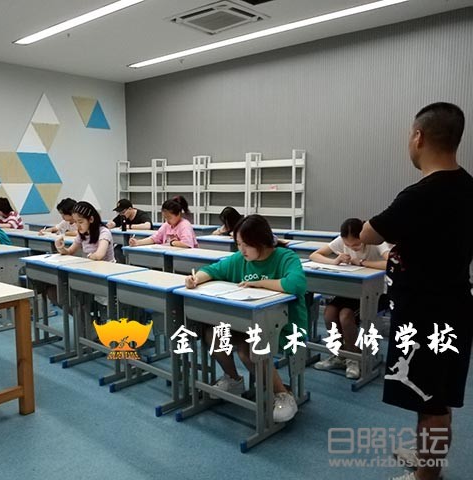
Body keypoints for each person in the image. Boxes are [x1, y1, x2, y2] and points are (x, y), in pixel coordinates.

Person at [360, 102, 473, 480]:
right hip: (454, 305)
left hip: (427, 313)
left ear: (419, 137)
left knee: (431, 401)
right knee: (437, 396)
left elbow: (368, 233)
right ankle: (428, 458)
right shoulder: (468, 187)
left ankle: (427, 474)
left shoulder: (420, 195)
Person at [185, 214, 307, 422]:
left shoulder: (285, 257)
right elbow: (212, 270)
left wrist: (260, 283)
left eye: (246, 244)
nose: (241, 250)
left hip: (284, 325)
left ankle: (282, 394)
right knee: (213, 335)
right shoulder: (240, 259)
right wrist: (196, 279)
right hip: (246, 323)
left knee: (248, 350)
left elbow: (296, 284)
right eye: (238, 244)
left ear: (261, 241)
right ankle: (233, 380)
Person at [309, 218, 392, 379]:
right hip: (351, 291)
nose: (352, 247)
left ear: (363, 236)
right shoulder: (341, 240)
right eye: (348, 245)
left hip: (375, 292)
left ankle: (353, 359)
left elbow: (390, 262)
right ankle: (339, 355)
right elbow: (315, 255)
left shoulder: (375, 241)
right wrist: (334, 260)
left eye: (356, 244)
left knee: (345, 316)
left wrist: (362, 262)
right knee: (329, 313)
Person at [128, 199, 197, 248]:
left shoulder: (185, 225)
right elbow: (154, 238)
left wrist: (172, 243)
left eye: (169, 217)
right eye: (165, 218)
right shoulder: (166, 225)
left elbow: (187, 244)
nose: (167, 220)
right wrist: (137, 242)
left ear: (178, 214)